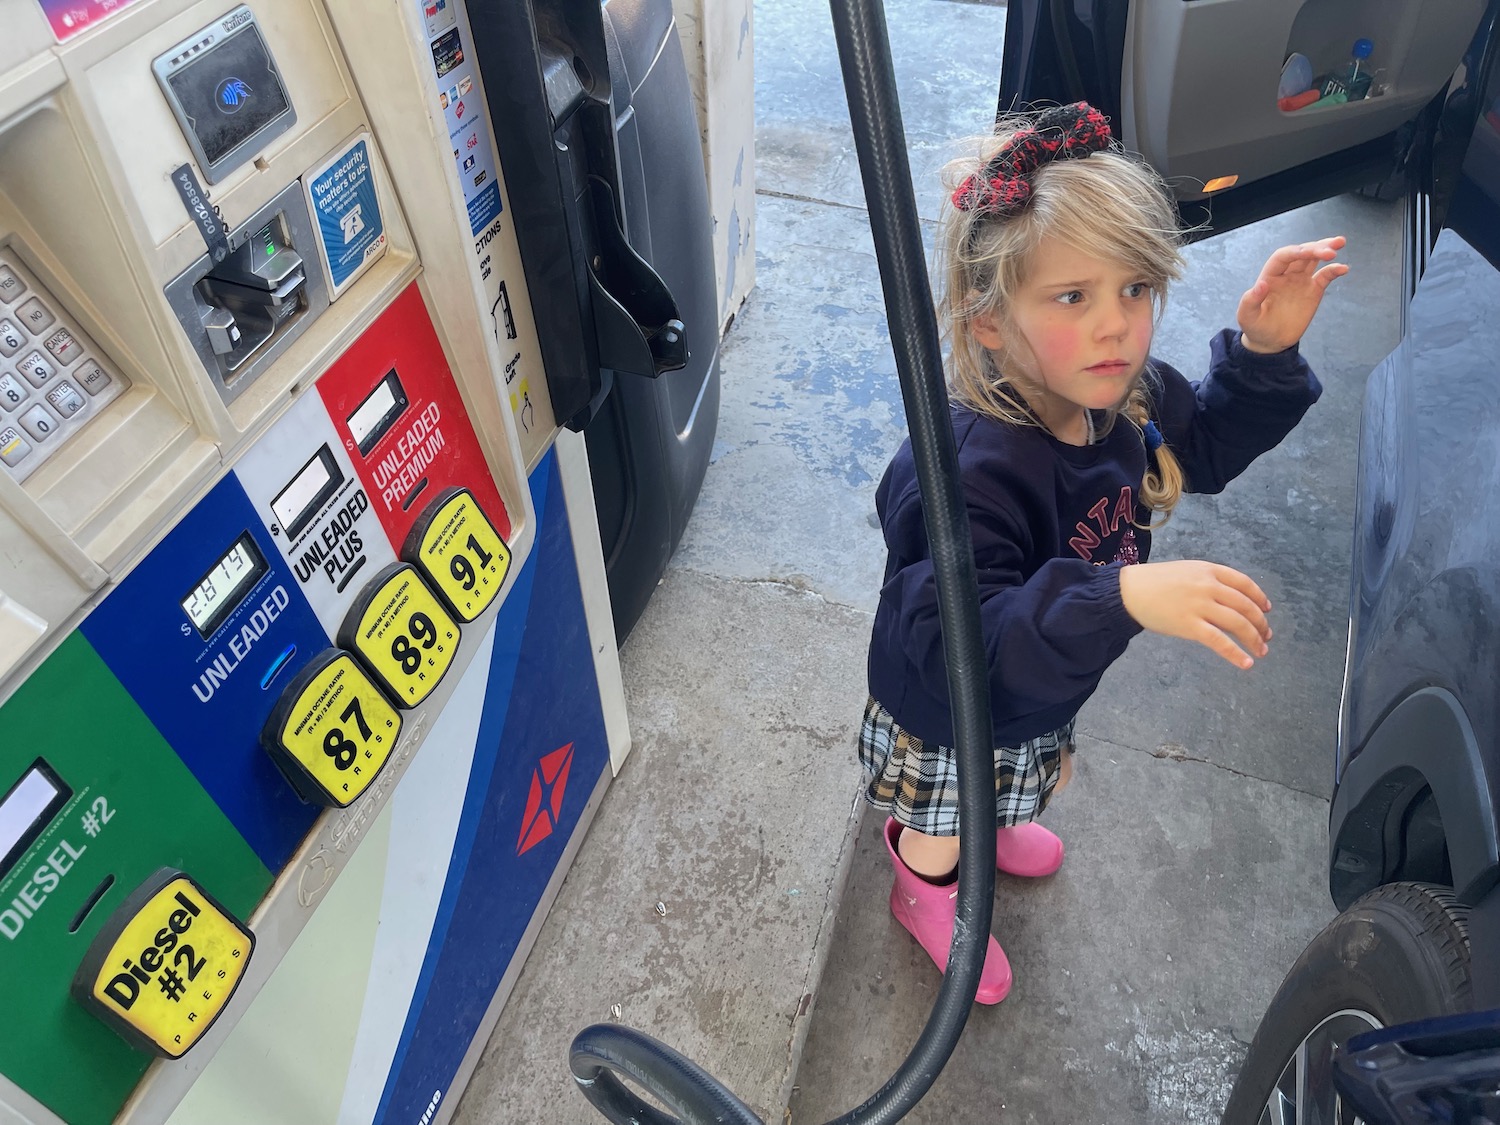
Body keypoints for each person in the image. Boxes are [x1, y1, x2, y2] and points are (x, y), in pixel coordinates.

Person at [859, 102, 1348, 1004]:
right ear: (990, 321)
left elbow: (1199, 448)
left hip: (1049, 671)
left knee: (1021, 774)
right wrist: (1122, 596)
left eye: (1135, 290)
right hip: (950, 701)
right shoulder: (967, 469)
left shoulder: (1123, 395)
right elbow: (960, 640)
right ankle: (923, 883)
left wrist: (1263, 352)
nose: (1117, 327)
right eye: (1072, 297)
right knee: (945, 813)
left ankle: (992, 823)